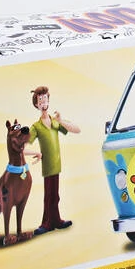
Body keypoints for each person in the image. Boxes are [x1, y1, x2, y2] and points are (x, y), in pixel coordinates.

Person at [26, 85, 80, 235]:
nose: (43, 103)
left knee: (55, 195)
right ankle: (47, 223)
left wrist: (61, 120)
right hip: (48, 166)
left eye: (45, 100)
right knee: (49, 195)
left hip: (57, 165)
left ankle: (56, 220)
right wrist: (35, 152)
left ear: (48, 101)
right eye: (40, 101)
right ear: (36, 105)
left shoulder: (55, 121)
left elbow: (76, 129)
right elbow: (23, 146)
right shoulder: (36, 126)